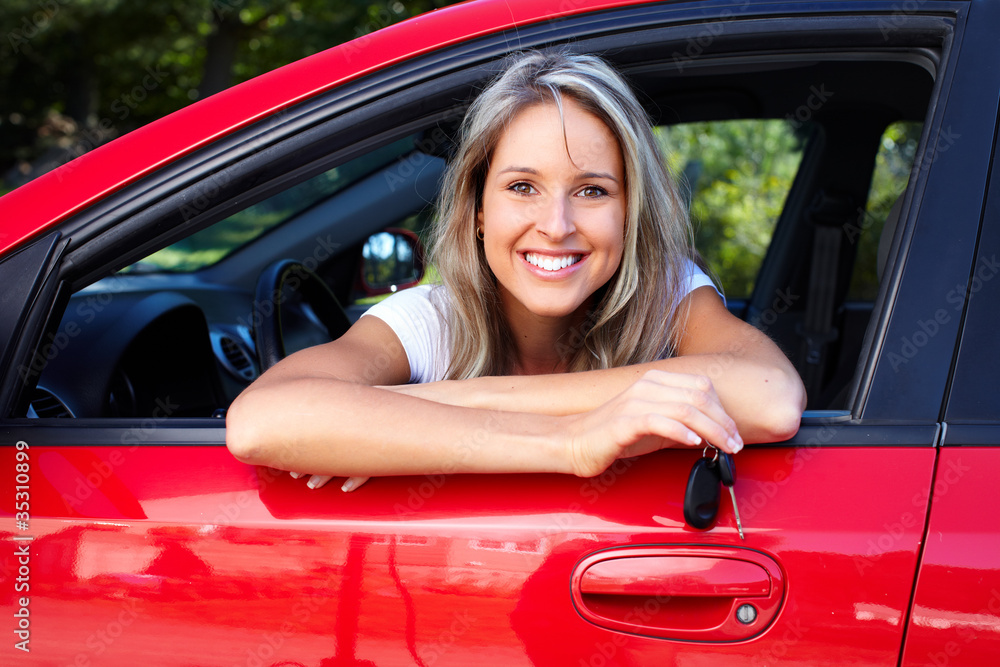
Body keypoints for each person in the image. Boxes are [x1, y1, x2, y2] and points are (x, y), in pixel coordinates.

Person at [225, 51, 806, 491]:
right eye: (522, 187)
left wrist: (418, 410)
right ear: (479, 211)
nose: (556, 225)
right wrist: (572, 438)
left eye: (592, 190)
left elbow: (770, 396)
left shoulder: (667, 292)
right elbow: (260, 420)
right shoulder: (431, 318)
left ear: (631, 214)